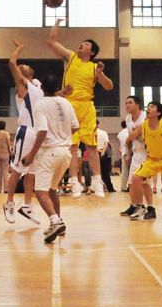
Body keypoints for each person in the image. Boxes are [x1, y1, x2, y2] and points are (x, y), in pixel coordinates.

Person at [47, 17, 114, 198]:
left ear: (92, 52)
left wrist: (100, 74)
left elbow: (109, 86)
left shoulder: (94, 67)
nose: (81, 45)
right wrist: (57, 23)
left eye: (86, 44)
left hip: (87, 106)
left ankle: (97, 181)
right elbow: (51, 42)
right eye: (81, 43)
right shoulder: (71, 57)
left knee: (91, 146)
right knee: (72, 147)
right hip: (69, 104)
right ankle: (74, 182)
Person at [21, 73, 79, 244]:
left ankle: (55, 221)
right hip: (65, 153)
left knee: (40, 191)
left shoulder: (41, 104)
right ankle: (58, 223)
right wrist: (63, 135)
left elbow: (42, 131)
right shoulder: (66, 103)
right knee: (52, 189)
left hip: (50, 153)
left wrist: (31, 155)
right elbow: (76, 126)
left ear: (42, 89)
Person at [3, 39, 43, 224]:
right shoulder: (22, 86)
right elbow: (12, 62)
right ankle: (9, 202)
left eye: (25, 65)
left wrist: (62, 92)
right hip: (26, 131)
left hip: (39, 132)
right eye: (21, 66)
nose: (23, 65)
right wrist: (19, 48)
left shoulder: (37, 86)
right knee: (18, 170)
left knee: (32, 173)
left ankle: (27, 205)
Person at [119, 96, 153, 220]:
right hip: (136, 152)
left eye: (130, 102)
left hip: (147, 153)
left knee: (144, 183)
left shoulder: (146, 117)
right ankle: (134, 205)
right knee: (131, 183)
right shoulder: (128, 119)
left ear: (137, 105)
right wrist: (128, 153)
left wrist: (132, 137)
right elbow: (130, 138)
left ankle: (150, 208)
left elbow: (137, 136)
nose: (127, 105)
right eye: (126, 103)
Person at [96, 120, 115, 193]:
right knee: (105, 172)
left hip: (96, 152)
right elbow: (106, 143)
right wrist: (103, 152)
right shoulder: (103, 132)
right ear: (98, 124)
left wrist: (99, 151)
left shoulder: (91, 133)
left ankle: (99, 188)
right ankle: (110, 188)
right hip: (103, 153)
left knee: (96, 172)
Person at [0, 121, 12, 194]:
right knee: (5, 171)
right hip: (5, 153)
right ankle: (6, 189)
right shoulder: (6, 134)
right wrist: (11, 153)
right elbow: (9, 144)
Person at [117, 121, 130, 192]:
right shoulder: (129, 131)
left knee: (124, 171)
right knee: (131, 171)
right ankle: (131, 186)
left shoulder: (120, 134)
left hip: (123, 153)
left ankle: (123, 187)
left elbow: (120, 145)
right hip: (129, 152)